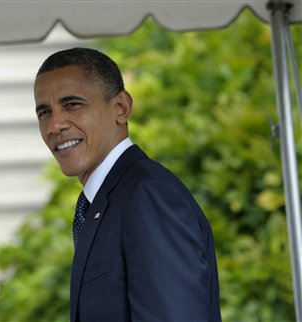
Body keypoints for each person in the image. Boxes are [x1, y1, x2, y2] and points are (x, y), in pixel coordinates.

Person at [34, 47, 221, 322]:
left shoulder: (148, 195)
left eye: (72, 104)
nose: (54, 124)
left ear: (121, 108)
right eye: (44, 112)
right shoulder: (107, 198)